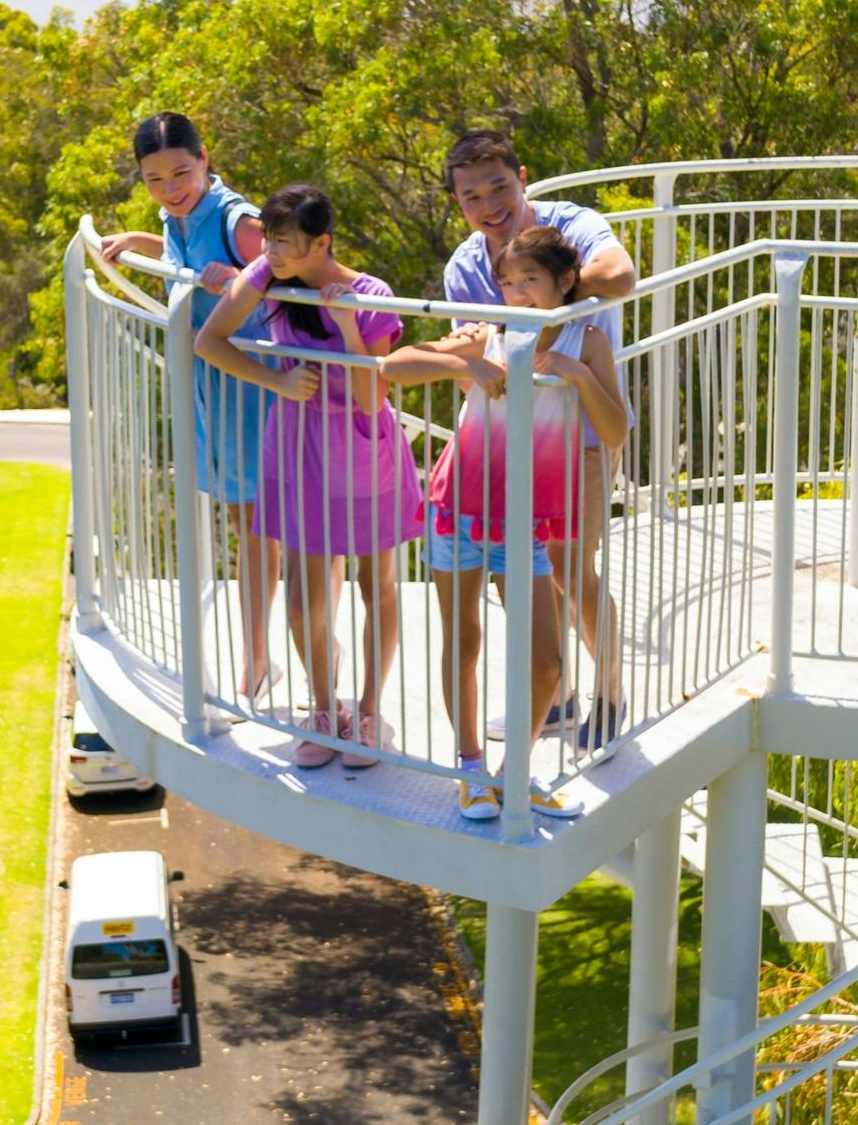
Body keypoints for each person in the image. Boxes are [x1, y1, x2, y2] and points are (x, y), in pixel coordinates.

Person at [194, 184, 425, 771]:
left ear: (321, 242)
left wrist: (347, 326)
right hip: (297, 450)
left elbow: (374, 395)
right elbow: (209, 341)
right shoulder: (265, 278)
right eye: (268, 238)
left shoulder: (372, 294)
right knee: (302, 601)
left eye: (284, 241)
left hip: (362, 450)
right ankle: (325, 710)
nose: (271, 250)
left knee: (378, 588)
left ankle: (368, 713)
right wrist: (274, 381)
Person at [402, 225, 629, 821]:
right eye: (508, 281)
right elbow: (393, 367)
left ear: (565, 282)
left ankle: (514, 774)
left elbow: (616, 431)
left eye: (531, 279)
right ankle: (471, 770)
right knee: (466, 640)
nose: (518, 291)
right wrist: (470, 363)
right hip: (461, 507)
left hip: (525, 519)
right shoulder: (489, 332)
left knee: (548, 661)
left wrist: (577, 376)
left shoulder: (586, 341)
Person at [424, 130, 640, 743]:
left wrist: (548, 293)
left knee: (574, 572)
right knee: (509, 573)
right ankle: (558, 694)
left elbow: (617, 275)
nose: (489, 203)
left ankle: (611, 692)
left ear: (522, 176)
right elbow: (476, 353)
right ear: (457, 202)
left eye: (499, 186)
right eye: (471, 196)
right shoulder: (465, 265)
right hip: (509, 444)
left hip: (581, 441)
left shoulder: (572, 224)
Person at [92, 113, 283, 697]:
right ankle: (269, 651)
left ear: (205, 157)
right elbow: (186, 256)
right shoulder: (178, 214)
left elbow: (293, 275)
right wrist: (140, 243)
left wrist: (240, 283)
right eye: (155, 179)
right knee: (244, 520)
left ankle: (258, 659)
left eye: (181, 171)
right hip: (216, 385)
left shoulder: (239, 220)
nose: (171, 188)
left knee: (258, 526)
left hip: (255, 385)